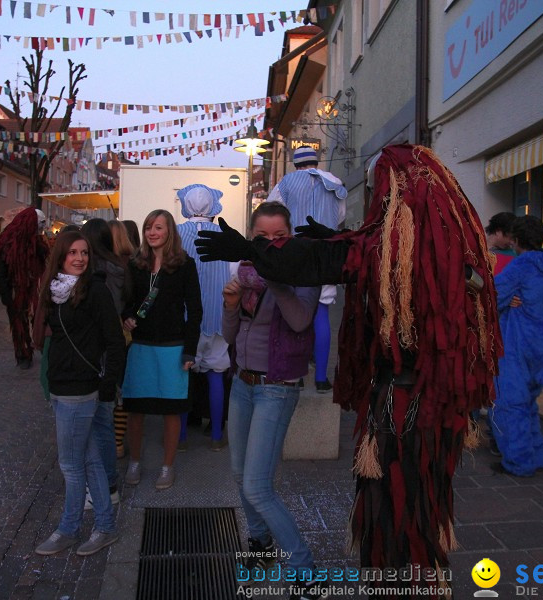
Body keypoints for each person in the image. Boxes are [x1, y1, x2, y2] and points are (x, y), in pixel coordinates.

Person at [196, 145, 501, 595]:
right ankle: (405, 579)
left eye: (382, 187)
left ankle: (408, 581)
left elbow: (339, 261)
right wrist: (329, 239)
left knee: (405, 498)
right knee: (403, 500)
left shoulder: (403, 251)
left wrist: (254, 249)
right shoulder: (432, 245)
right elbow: (351, 251)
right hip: (415, 401)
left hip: (408, 405)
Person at [222, 202, 323, 599]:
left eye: (278, 237)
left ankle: (304, 571)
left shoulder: (303, 272)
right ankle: (262, 547)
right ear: (251, 237)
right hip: (242, 383)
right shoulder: (245, 274)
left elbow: (299, 320)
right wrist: (231, 306)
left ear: (290, 237)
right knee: (238, 475)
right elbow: (230, 336)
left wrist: (274, 276)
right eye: (261, 238)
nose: (269, 244)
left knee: (258, 486)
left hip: (276, 386)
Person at [31, 230, 126, 557]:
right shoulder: (55, 290)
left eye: (84, 252)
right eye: (72, 252)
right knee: (89, 460)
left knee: (71, 466)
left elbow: (114, 342)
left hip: (80, 389)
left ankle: (68, 530)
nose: (79, 258)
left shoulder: (95, 291)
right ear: (60, 256)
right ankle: (105, 526)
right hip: (60, 385)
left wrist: (107, 384)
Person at [121, 210, 203, 490]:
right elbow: (126, 300)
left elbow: (195, 310)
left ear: (170, 232)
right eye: (148, 227)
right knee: (136, 408)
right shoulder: (136, 265)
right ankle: (135, 461)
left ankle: (167, 467)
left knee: (171, 410)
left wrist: (190, 350)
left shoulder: (184, 265)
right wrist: (127, 315)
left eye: (158, 227)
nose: (152, 232)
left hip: (173, 347)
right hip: (141, 345)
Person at [490, 215, 543, 477]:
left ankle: (518, 461)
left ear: (516, 239)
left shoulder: (521, 266)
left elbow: (491, 295)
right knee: (529, 404)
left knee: (509, 405)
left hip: (517, 345)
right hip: (541, 345)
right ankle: (536, 454)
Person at [267, 146, 347, 394]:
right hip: (326, 252)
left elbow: (272, 213)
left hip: (297, 252)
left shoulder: (287, 182)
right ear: (315, 161)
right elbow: (340, 216)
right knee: (321, 311)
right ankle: (321, 378)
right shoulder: (334, 182)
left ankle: (297, 373)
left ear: (295, 163)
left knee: (296, 313)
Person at [176, 184, 232, 450]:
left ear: (186, 205)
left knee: (183, 376)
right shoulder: (226, 234)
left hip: (185, 320)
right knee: (216, 374)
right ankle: (217, 437)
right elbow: (234, 277)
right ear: (213, 206)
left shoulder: (175, 235)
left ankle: (182, 437)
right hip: (218, 318)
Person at [81, 218, 132, 507]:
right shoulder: (120, 268)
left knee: (96, 421)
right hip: (116, 346)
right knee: (107, 416)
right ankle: (108, 485)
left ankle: (102, 488)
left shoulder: (93, 274)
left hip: (95, 350)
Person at [0, 207, 49, 369]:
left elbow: (44, 259)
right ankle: (23, 353)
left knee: (41, 317)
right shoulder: (8, 240)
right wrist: (5, 292)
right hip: (16, 288)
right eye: (41, 224)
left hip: (36, 287)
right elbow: (0, 267)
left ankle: (43, 346)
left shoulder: (37, 239)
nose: (43, 228)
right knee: (19, 320)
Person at [107, 219, 136, 459]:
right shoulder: (133, 265)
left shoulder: (102, 267)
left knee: (109, 388)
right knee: (122, 391)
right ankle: (118, 442)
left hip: (109, 333)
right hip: (128, 335)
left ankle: (111, 441)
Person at [486, 211, 517, 276]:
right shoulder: (476, 250)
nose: (512, 242)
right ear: (498, 231)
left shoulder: (512, 257)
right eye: (510, 237)